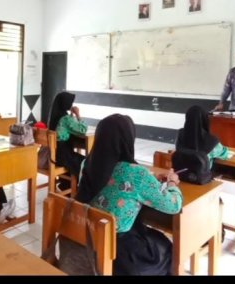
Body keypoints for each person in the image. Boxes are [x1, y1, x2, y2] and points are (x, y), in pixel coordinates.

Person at [76, 114, 182, 275]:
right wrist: (172, 183)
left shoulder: (87, 163)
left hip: (88, 240)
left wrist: (151, 180)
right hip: (122, 255)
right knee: (167, 247)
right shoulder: (136, 174)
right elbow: (174, 205)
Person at [47, 92, 87, 187]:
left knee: (78, 158)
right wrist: (78, 114)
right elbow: (83, 129)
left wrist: (71, 116)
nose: (71, 104)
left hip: (53, 155)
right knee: (86, 162)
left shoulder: (55, 116)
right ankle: (77, 188)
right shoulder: (65, 119)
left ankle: (65, 184)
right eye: (70, 102)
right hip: (63, 157)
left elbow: (67, 127)